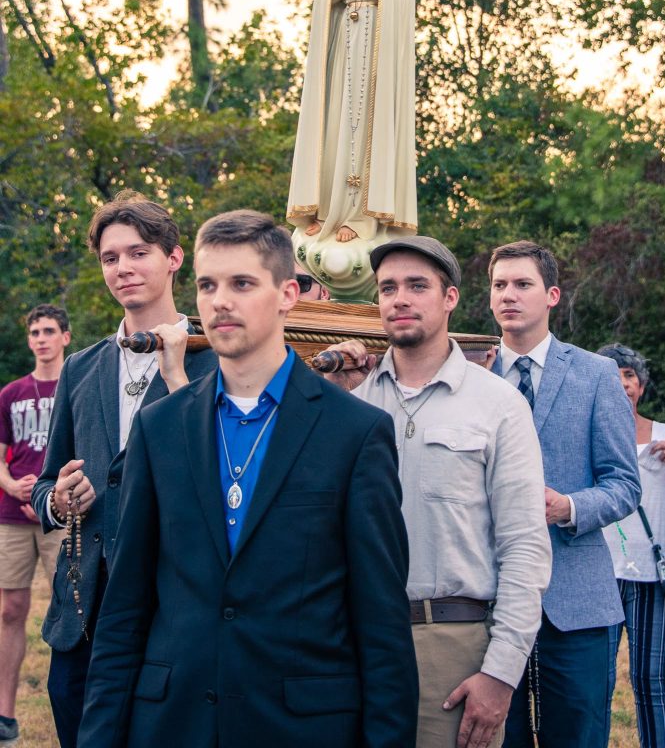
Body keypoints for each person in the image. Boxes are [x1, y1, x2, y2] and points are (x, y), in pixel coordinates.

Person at [76, 210, 418, 748]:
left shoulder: (355, 432)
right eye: (208, 285)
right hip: (174, 724)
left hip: (302, 727)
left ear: (287, 295)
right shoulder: (159, 427)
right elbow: (126, 607)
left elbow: (381, 624)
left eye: (242, 283)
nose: (219, 301)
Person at [323, 234, 552, 748]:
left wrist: (500, 673)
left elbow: (524, 546)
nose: (399, 299)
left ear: (449, 299)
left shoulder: (498, 405)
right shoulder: (348, 401)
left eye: (417, 286)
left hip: (450, 642)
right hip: (346, 640)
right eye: (387, 288)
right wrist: (330, 404)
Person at [31, 192, 216, 748]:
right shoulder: (81, 368)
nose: (124, 268)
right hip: (84, 611)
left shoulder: (217, 360)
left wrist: (177, 372)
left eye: (138, 252)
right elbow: (43, 487)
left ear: (174, 258)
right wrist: (59, 501)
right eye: (111, 258)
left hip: (174, 607)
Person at [487, 240, 641, 748]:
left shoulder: (597, 375)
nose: (509, 295)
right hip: (488, 599)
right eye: (499, 285)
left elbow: (624, 484)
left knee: (578, 736)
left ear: (551, 295)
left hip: (575, 601)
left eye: (523, 284)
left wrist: (569, 507)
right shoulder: (468, 377)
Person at [287, 0, 417, 244]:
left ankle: (360, 217)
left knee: (367, 126)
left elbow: (402, 0)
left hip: (378, 51)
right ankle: (326, 210)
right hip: (344, 46)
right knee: (338, 122)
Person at [597, 343, 665, 748]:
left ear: (641, 385)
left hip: (652, 574)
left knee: (650, 678)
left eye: (628, 376)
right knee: (595, 679)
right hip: (599, 574)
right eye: (612, 376)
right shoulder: (590, 437)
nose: (622, 384)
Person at [0, 305, 71, 744]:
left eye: (49, 331)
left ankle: (70, 702)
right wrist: (12, 487)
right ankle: (5, 715)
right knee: (9, 611)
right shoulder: (11, 393)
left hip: (63, 513)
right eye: (35, 332)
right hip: (12, 515)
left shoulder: (79, 382)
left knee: (71, 609)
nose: (41, 338)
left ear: (65, 337)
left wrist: (50, 497)